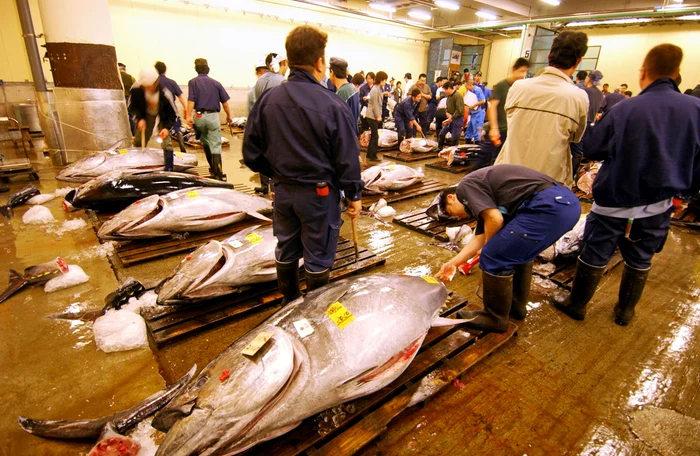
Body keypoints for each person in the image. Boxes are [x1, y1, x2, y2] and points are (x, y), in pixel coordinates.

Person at [552, 44, 700, 326]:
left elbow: (594, 147)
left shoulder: (626, 108)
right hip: (659, 205)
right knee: (641, 257)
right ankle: (625, 311)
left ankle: (577, 304)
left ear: (643, 72)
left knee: (595, 251)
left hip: (614, 202)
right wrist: (686, 192)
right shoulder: (696, 109)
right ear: (678, 73)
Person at [243, 25, 363, 302]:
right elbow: (347, 158)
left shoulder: (267, 101)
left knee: (286, 247)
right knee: (318, 253)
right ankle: (313, 310)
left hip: (283, 192)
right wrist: (354, 194)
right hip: (319, 195)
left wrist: (277, 174)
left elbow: (251, 153)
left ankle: (289, 301)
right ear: (320, 63)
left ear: (289, 59)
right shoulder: (333, 105)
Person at [434, 164, 581, 333]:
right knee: (516, 252)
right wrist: (452, 263)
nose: (457, 217)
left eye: (451, 212)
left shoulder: (466, 187)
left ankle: (494, 318)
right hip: (566, 205)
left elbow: (495, 220)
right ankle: (516, 307)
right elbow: (478, 239)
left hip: (548, 205)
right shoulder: (483, 203)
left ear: (452, 197)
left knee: (493, 255)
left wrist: (489, 249)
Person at [495, 31, 589, 187]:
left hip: (507, 178)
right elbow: (575, 137)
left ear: (549, 55)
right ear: (578, 61)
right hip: (547, 185)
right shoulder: (578, 97)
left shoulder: (518, 87)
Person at [186, 58, 232, 181]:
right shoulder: (216, 83)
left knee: (205, 142)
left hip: (199, 116)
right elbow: (225, 103)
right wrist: (229, 116)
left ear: (196, 69)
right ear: (208, 69)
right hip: (213, 117)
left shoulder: (192, 82)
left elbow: (191, 100)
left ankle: (212, 167)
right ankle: (218, 173)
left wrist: (188, 116)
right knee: (215, 145)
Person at [252, 52, 289, 194]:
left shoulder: (260, 80)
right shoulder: (283, 81)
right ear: (283, 63)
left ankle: (264, 186)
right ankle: (276, 192)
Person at [129, 68, 177, 171]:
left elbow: (172, 114)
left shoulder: (165, 94)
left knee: (166, 141)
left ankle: (169, 169)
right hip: (146, 115)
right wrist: (140, 118)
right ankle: (138, 165)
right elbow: (133, 106)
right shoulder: (136, 90)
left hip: (163, 115)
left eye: (149, 86)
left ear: (156, 83)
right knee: (139, 140)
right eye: (144, 87)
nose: (146, 89)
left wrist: (166, 128)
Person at [487, 58, 530, 164]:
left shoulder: (520, 87)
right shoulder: (501, 85)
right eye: (521, 71)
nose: (522, 75)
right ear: (514, 69)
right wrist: (494, 128)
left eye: (525, 72)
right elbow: (492, 107)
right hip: (500, 130)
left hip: (512, 130)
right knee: (495, 160)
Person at [570, 69, 605, 179]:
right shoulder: (600, 94)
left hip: (580, 123)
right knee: (579, 150)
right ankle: (574, 174)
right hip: (590, 124)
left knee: (575, 150)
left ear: (588, 78)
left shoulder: (584, 91)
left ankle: (570, 176)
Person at [155, 61, 187, 152]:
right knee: (177, 129)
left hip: (160, 112)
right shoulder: (172, 82)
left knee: (164, 131)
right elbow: (180, 96)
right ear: (165, 70)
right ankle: (183, 149)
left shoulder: (154, 83)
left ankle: (167, 152)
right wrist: (186, 109)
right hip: (172, 110)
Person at [331, 58, 360, 136]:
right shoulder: (351, 88)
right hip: (352, 134)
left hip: (346, 135)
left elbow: (338, 120)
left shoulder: (342, 92)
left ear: (332, 72)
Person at [366, 71, 388, 162]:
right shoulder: (375, 89)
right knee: (375, 136)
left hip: (373, 115)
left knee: (374, 135)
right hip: (372, 115)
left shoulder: (378, 88)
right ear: (381, 80)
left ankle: (369, 153)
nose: (385, 82)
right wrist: (377, 115)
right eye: (385, 80)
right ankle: (373, 155)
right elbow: (375, 104)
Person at [437, 81, 464, 151]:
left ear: (449, 88)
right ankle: (440, 148)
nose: (445, 92)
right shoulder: (448, 96)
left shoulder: (458, 96)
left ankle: (454, 152)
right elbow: (447, 107)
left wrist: (452, 117)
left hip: (457, 119)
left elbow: (460, 110)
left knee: (455, 137)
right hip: (450, 118)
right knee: (441, 134)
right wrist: (447, 113)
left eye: (445, 90)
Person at [465, 79, 486, 144]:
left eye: (466, 86)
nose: (466, 88)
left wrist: (473, 105)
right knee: (469, 130)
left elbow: (483, 100)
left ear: (470, 85)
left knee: (477, 132)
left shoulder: (477, 90)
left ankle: (476, 149)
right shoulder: (469, 91)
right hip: (472, 113)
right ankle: (468, 147)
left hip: (478, 113)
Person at [119, 63, 136, 134]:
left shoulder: (117, 76)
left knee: (122, 117)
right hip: (130, 98)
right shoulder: (131, 77)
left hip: (121, 99)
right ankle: (134, 133)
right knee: (131, 116)